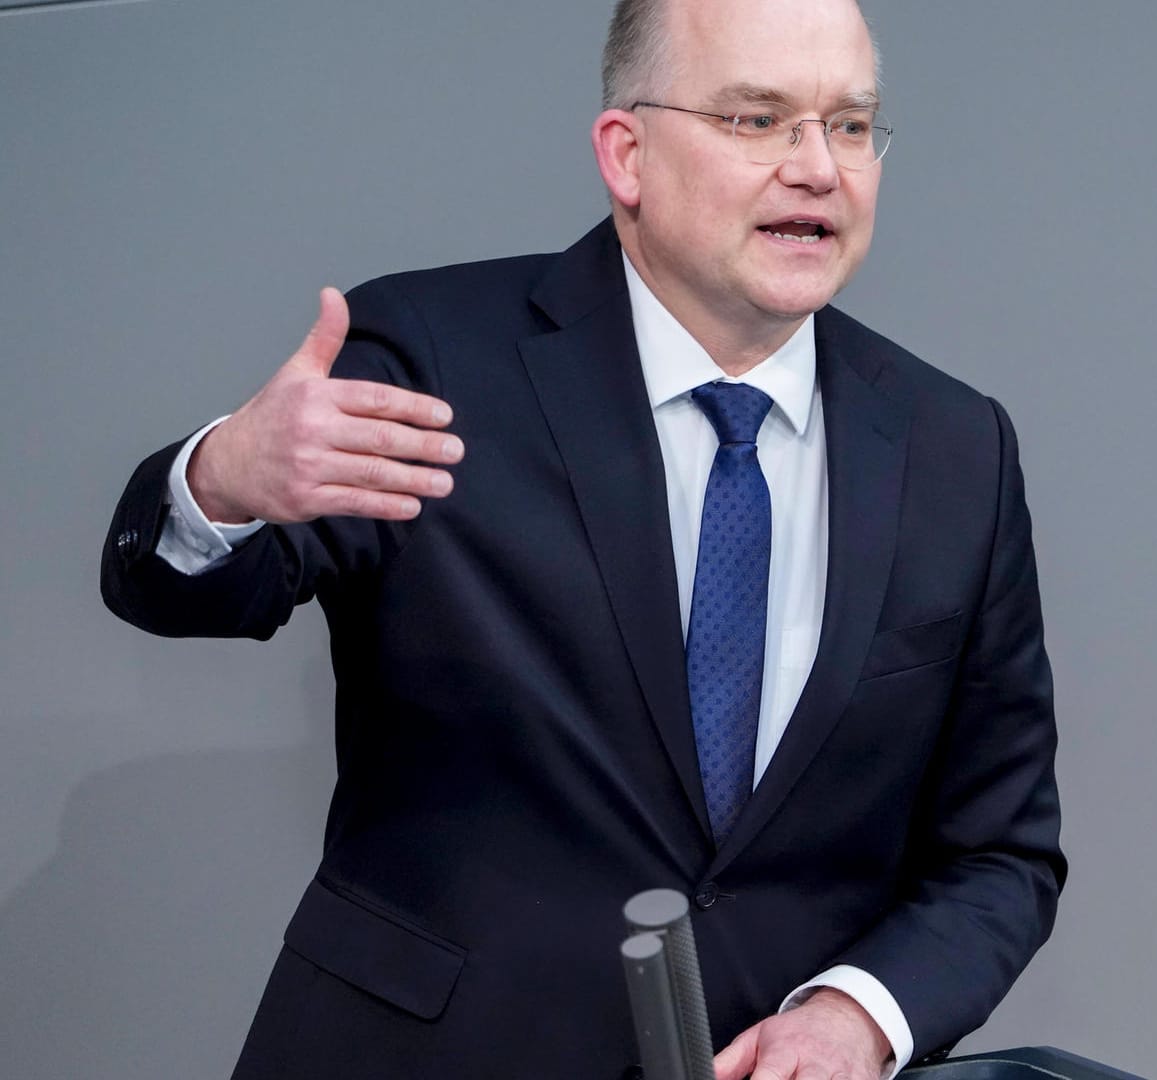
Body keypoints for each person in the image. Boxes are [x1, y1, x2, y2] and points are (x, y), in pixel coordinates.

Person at [98, 0, 1064, 1076]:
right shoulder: (436, 359)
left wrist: (859, 1017)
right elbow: (190, 591)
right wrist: (225, 480)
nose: (818, 168)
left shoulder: (955, 447)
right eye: (758, 120)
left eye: (848, 124)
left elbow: (999, 852)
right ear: (628, 154)